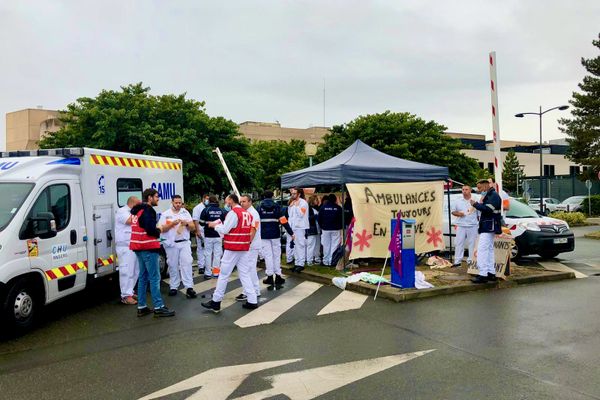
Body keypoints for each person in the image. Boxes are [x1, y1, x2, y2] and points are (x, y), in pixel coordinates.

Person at [201, 194, 258, 313]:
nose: (225, 203)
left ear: (231, 200)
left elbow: (225, 229)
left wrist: (215, 226)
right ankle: (252, 300)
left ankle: (216, 302)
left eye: (227, 200)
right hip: (243, 246)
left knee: (223, 274)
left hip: (233, 247)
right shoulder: (246, 213)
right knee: (245, 274)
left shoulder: (234, 213)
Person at [130, 188, 177, 317]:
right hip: (148, 247)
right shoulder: (148, 210)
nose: (158, 199)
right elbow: (150, 230)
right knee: (155, 278)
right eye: (156, 196)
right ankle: (158, 306)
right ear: (149, 198)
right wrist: (159, 229)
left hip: (138, 247)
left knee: (143, 277)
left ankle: (142, 306)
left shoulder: (137, 210)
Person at [159, 195, 197, 299]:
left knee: (187, 263)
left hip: (184, 242)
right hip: (172, 243)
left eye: (180, 203)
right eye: (176, 203)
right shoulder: (166, 214)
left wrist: (186, 224)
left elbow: (193, 227)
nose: (178, 205)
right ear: (172, 202)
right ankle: (174, 286)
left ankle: (189, 287)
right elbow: (162, 229)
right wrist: (172, 224)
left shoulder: (185, 212)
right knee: (172, 265)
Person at [470, 179, 502, 284]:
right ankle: (490, 273)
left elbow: (488, 209)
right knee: (488, 250)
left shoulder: (493, 196)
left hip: (488, 226)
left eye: (480, 188)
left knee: (482, 250)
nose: (479, 190)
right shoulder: (491, 195)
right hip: (489, 225)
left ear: (485, 186)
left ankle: (483, 274)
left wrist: (476, 205)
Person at [258, 190, 294, 285]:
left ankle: (269, 276)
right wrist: (291, 232)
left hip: (264, 235)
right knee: (276, 255)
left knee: (268, 256)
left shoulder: (259, 207)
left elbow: (256, 222)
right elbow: (283, 220)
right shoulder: (277, 207)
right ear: (272, 197)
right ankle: (278, 276)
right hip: (275, 234)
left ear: (264, 197)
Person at [115, 196, 141, 305]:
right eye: (138, 205)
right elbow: (130, 221)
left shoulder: (132, 212)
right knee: (126, 271)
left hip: (133, 245)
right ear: (133, 204)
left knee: (135, 271)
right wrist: (141, 215)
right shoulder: (122, 211)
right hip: (124, 246)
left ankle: (130, 291)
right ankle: (125, 296)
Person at [237, 195, 262, 301]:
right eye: (241, 201)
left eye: (244, 201)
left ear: (250, 202)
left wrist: (247, 242)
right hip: (248, 244)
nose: (242, 203)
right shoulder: (246, 213)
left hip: (252, 245)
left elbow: (253, 230)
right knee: (248, 268)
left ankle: (252, 291)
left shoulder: (254, 214)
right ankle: (253, 290)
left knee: (249, 268)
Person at [451, 185, 479, 267]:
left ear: (470, 190)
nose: (464, 191)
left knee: (472, 244)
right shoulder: (458, 200)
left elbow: (479, 214)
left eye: (466, 189)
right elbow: (453, 212)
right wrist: (458, 214)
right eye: (463, 189)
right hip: (461, 225)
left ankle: (471, 261)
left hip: (472, 225)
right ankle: (457, 262)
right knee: (459, 243)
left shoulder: (475, 200)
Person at [199, 195, 226, 280]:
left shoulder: (205, 210)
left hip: (208, 236)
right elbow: (224, 222)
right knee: (217, 255)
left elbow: (201, 223)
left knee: (208, 254)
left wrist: (208, 223)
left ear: (209, 201)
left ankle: (207, 273)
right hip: (218, 235)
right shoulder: (221, 210)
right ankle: (216, 273)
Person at [287, 187, 310, 272]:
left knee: (300, 245)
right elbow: (290, 215)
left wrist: (296, 207)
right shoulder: (292, 202)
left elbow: (301, 214)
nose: (292, 195)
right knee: (295, 246)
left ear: (299, 194)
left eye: (294, 193)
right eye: (292, 193)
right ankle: (296, 263)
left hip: (300, 227)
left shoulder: (303, 203)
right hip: (293, 227)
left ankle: (301, 264)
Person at [318, 194, 343, 266]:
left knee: (326, 246)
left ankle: (326, 261)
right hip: (335, 229)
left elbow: (319, 219)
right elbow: (341, 219)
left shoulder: (323, 207)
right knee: (334, 245)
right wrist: (340, 226)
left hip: (325, 229)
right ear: (335, 200)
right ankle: (332, 261)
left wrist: (322, 226)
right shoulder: (338, 208)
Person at [192, 194, 210, 275]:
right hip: (201, 230)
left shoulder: (209, 207)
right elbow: (195, 220)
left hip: (208, 231)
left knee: (208, 249)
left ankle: (207, 265)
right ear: (202, 199)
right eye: (206, 199)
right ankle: (201, 266)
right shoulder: (197, 208)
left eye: (208, 199)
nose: (207, 200)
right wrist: (197, 231)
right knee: (200, 248)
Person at [306, 195, 321, 266]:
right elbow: (306, 219)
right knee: (311, 245)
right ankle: (309, 260)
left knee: (317, 245)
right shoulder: (308, 209)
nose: (317, 201)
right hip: (311, 229)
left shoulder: (316, 208)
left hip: (317, 229)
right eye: (316, 200)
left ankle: (317, 259)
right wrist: (315, 217)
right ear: (312, 201)